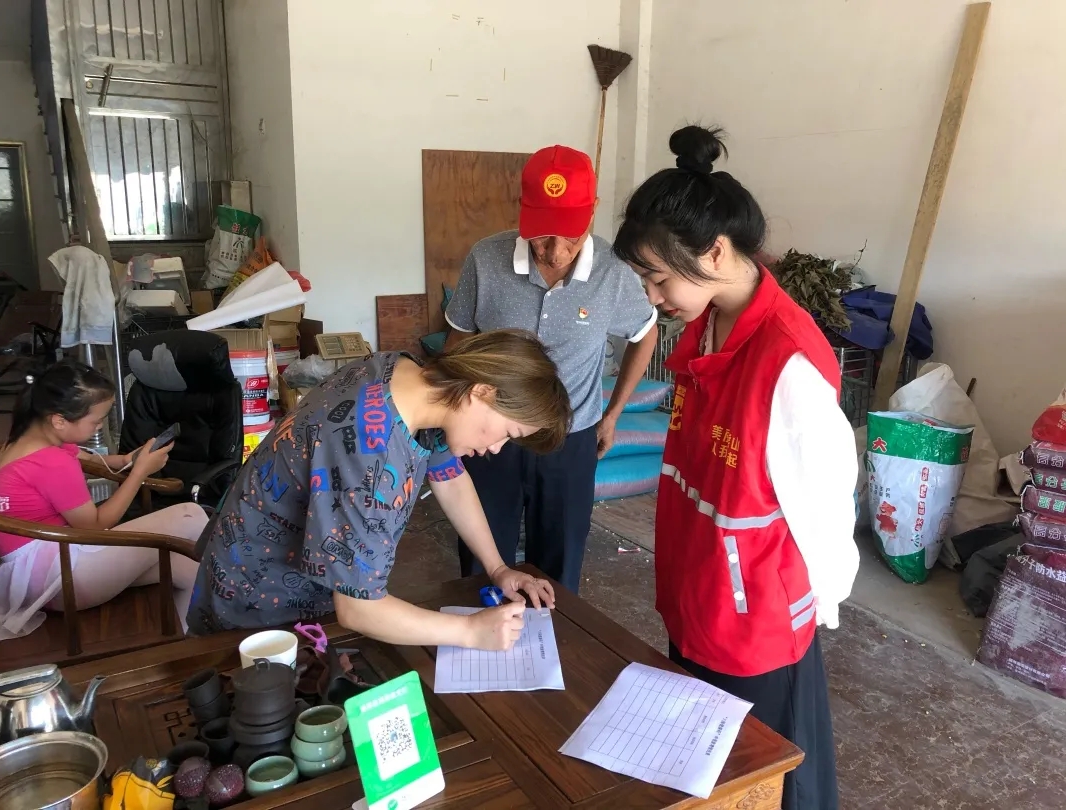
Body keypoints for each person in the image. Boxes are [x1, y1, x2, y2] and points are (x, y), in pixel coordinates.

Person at [612, 125, 858, 810]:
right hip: (698, 592)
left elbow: (826, 503)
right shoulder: (704, 329)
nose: (652, 296)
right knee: (702, 761)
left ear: (714, 251)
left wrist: (820, 600)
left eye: (658, 277)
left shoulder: (788, 363)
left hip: (753, 621)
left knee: (760, 771)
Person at [186, 329, 572, 651]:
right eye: (507, 433)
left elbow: (449, 476)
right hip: (259, 611)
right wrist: (470, 631)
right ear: (483, 391)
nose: (496, 449)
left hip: (295, 585)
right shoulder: (370, 453)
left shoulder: (406, 376)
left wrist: (499, 568)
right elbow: (359, 609)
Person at [444, 144, 658, 593]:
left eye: (570, 236)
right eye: (542, 235)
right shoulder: (486, 259)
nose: (556, 252)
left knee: (560, 562)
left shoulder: (613, 273)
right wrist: (452, 415)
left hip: (571, 437)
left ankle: (556, 635)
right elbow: (458, 341)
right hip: (491, 438)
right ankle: (481, 632)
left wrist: (612, 414)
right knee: (484, 558)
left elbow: (645, 334)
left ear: (592, 211)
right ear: (523, 210)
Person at [0, 360, 207, 640]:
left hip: (32, 577)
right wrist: (139, 473)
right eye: (96, 420)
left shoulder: (26, 442)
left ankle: (185, 643)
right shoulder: (52, 463)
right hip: (61, 580)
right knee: (190, 514)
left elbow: (89, 459)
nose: (100, 426)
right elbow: (95, 526)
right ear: (59, 420)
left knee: (190, 569)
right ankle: (246, 582)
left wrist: (128, 460)